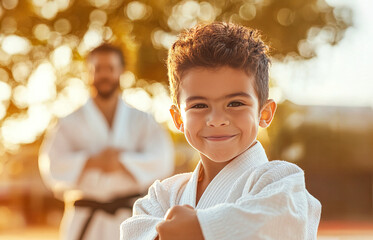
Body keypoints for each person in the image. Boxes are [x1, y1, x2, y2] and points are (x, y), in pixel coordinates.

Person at [120, 22, 321, 240]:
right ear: (178, 118)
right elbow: (135, 230)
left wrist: (199, 227)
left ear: (265, 113)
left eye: (235, 104)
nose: (216, 120)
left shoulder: (280, 181)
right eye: (199, 105)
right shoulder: (164, 195)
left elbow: (282, 218)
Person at [39, 44, 174, 240]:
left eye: (110, 68)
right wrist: (92, 161)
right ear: (89, 72)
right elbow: (52, 165)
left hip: (133, 217)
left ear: (120, 71)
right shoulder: (68, 123)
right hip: (84, 218)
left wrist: (122, 161)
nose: (104, 75)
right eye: (97, 69)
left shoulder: (143, 120)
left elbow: (162, 160)